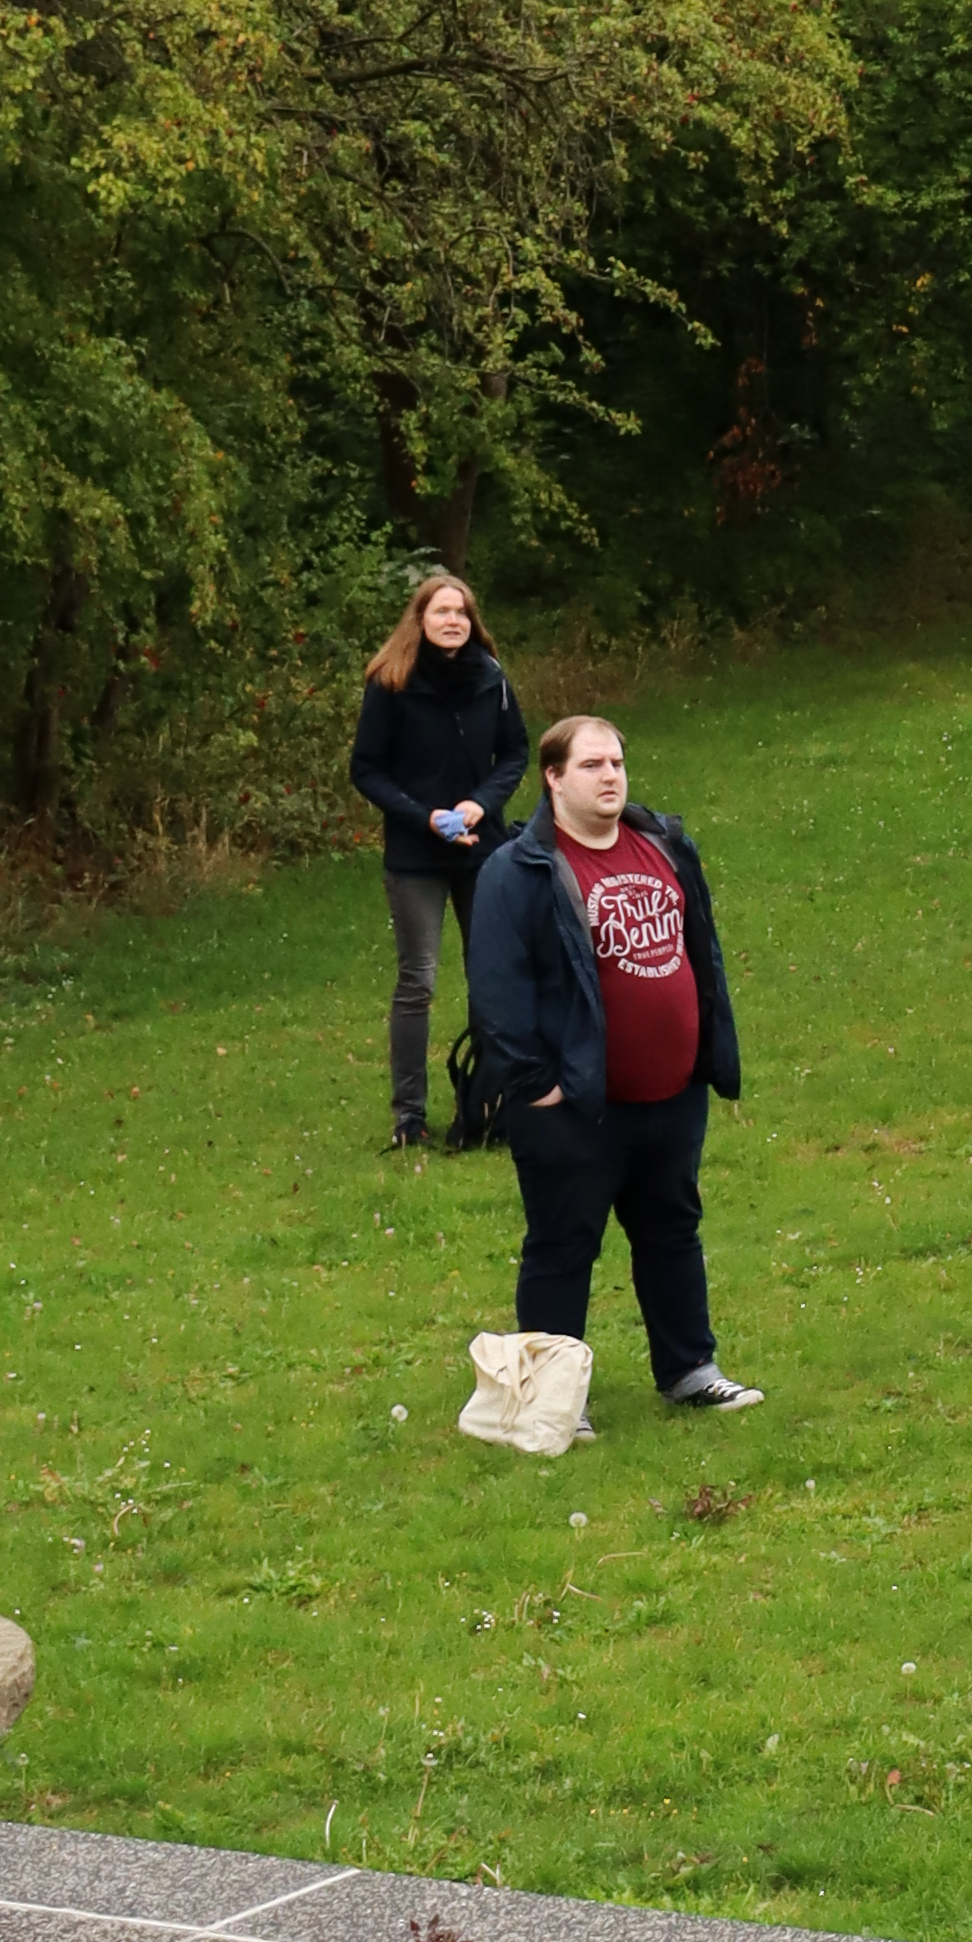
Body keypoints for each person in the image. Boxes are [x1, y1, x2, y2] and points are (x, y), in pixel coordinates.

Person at [464, 715, 764, 1412]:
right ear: (554, 777)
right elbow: (497, 987)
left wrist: (705, 1055)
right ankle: (547, 1401)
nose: (610, 776)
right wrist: (535, 1086)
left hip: (672, 1094)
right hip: (575, 1108)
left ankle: (691, 1370)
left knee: (671, 1231)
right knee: (564, 1247)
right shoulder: (521, 869)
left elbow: (702, 950)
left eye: (617, 762)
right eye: (592, 764)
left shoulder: (662, 844)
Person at [348, 572, 530, 1152]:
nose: (453, 621)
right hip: (416, 854)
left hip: (485, 851)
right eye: (440, 612)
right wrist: (424, 815)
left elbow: (517, 750)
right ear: (419, 620)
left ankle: (488, 1105)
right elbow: (367, 768)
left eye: (462, 613)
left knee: (492, 978)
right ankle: (410, 1117)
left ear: (472, 622)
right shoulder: (391, 682)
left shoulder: (492, 678)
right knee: (418, 981)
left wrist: (481, 803)